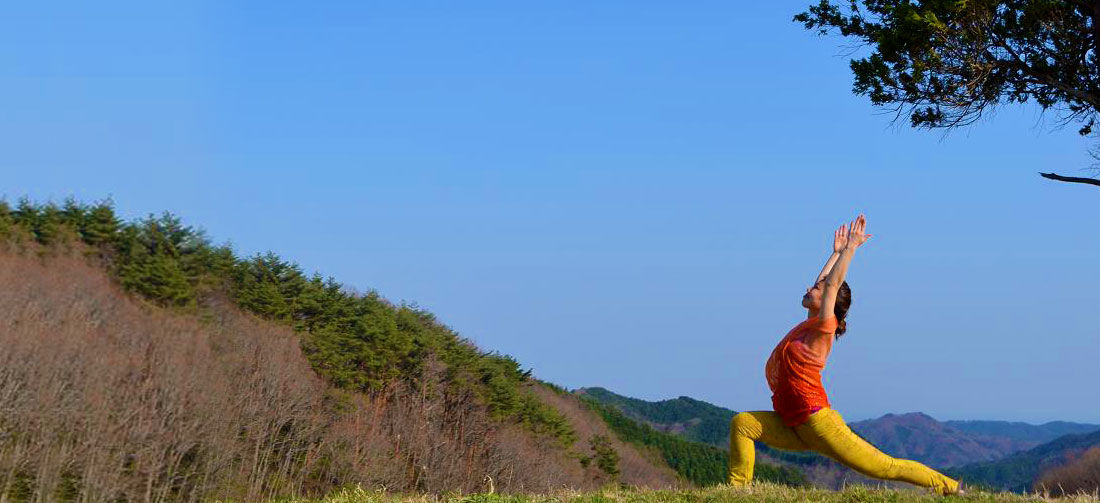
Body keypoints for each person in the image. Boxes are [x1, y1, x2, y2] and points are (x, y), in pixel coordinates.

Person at [727, 214, 963, 496]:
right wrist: (834, 253)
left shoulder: (824, 327)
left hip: (819, 424)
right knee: (742, 423)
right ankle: (736, 492)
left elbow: (831, 285)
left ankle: (951, 488)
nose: (809, 288)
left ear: (827, 299)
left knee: (886, 467)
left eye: (815, 289)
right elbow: (826, 284)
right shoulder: (809, 324)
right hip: (794, 423)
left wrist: (850, 249)